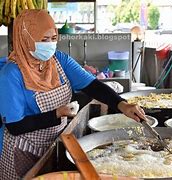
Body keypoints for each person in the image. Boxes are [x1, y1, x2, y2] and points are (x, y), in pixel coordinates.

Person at [0, 9, 146, 180]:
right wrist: (57, 114)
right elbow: (16, 126)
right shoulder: (10, 74)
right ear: (26, 39)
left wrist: (122, 104)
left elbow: (92, 85)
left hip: (54, 142)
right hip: (22, 149)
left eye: (53, 39)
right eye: (44, 40)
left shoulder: (58, 60)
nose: (50, 45)